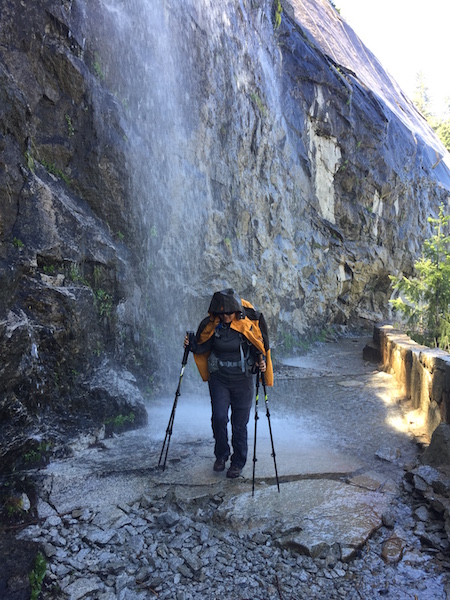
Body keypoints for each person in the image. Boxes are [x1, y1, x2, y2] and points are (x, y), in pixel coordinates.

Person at [185, 289, 273, 479]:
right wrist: (191, 345)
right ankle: (221, 455)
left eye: (229, 312)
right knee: (219, 417)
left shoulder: (245, 328)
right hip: (219, 379)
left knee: (239, 424)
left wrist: (262, 362)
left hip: (243, 381)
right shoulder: (214, 328)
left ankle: (238, 462)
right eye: (222, 313)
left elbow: (258, 348)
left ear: (236, 311)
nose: (225, 316)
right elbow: (202, 347)